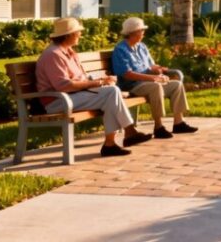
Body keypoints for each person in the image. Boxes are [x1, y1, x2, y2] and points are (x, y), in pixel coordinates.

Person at [36, 17, 152, 157]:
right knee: (111, 93)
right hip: (58, 101)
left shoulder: (69, 52)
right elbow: (64, 86)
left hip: (73, 96)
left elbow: (81, 79)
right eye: (77, 32)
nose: (80, 34)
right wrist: (99, 83)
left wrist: (103, 80)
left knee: (111, 93)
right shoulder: (53, 55)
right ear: (68, 35)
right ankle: (129, 132)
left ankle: (111, 144)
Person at [112, 17, 198, 139]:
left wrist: (159, 70)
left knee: (176, 85)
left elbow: (150, 65)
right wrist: (152, 78)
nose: (143, 33)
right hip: (132, 86)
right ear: (133, 32)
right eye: (141, 30)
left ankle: (178, 123)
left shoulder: (141, 46)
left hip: (147, 82)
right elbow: (127, 74)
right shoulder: (120, 50)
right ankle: (158, 127)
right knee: (155, 86)